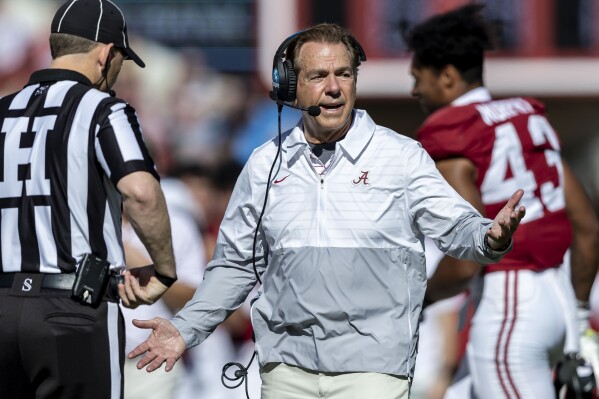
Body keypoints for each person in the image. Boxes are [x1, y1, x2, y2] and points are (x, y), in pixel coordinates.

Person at [128, 23, 525, 399]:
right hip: (284, 370)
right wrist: (184, 330)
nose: (333, 88)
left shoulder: (401, 157)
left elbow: (458, 226)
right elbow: (233, 266)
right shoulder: (265, 164)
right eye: (318, 76)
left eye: (344, 74)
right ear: (290, 87)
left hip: (373, 371)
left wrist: (490, 235)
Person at [406, 5, 599, 398]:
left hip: (510, 303)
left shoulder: (455, 133)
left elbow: (464, 262)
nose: (414, 90)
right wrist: (578, 317)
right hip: (558, 298)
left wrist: (417, 296)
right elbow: (588, 228)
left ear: (446, 76)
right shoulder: (526, 118)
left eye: (418, 78)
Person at [0, 1, 177, 398]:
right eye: (120, 61)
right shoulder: (103, 109)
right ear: (106, 54)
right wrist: (163, 270)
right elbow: (140, 191)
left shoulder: (2, 110)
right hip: (72, 308)